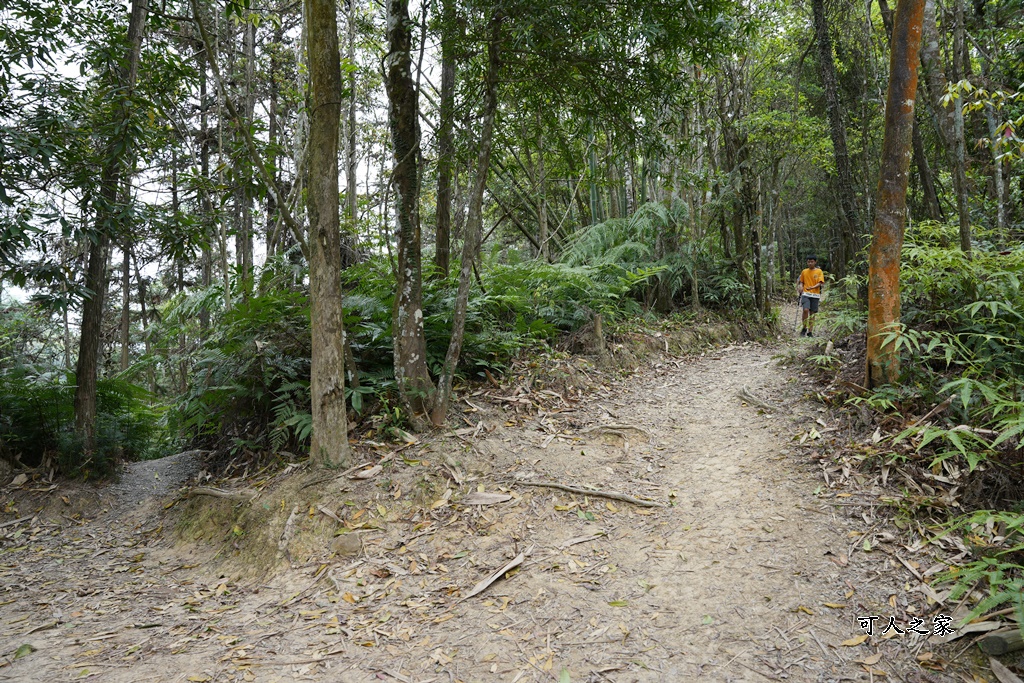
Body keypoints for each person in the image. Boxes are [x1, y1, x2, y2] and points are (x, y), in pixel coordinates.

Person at [796, 255, 825, 337]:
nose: (810, 263)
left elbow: (821, 282)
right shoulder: (804, 271)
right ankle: (804, 328)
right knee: (805, 310)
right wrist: (801, 286)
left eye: (812, 261)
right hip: (805, 294)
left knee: (812, 313)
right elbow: (801, 281)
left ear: (815, 262)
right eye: (808, 261)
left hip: (815, 295)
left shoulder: (819, 271)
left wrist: (813, 287)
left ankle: (810, 332)